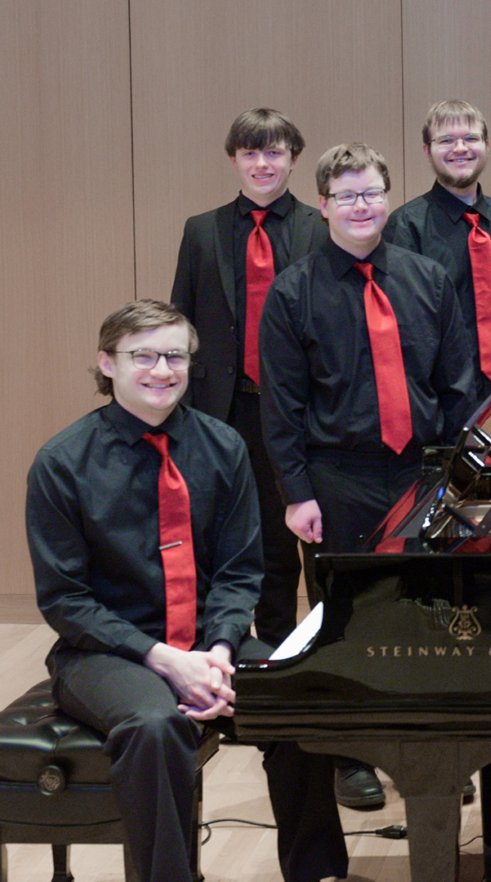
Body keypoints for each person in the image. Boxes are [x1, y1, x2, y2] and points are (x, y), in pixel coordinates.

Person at [27, 300, 349, 882]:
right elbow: (65, 600)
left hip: (208, 639)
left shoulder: (223, 447)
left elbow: (239, 571)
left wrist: (221, 651)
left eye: (175, 355)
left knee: (299, 699)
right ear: (107, 363)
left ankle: (315, 872)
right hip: (105, 651)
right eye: (142, 356)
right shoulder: (61, 463)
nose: (162, 370)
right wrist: (167, 661)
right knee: (155, 727)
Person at [261, 142, 476, 809]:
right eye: (347, 196)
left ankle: (435, 746)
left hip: (420, 470)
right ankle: (351, 755)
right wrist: (297, 494)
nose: (361, 207)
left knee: (429, 614)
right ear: (322, 204)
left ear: (388, 198)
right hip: (338, 475)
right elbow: (282, 407)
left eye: (372, 193)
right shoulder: (294, 291)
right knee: (344, 618)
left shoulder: (428, 278)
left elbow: (458, 384)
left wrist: (458, 477)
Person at [170, 108, 327, 646]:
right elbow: (181, 324)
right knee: (251, 544)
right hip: (227, 411)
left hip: (307, 413)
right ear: (234, 160)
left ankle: (327, 660)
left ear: (294, 159)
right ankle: (266, 660)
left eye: (274, 152)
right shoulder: (201, 232)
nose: (262, 164)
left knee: (314, 539)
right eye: (250, 153)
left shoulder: (320, 228)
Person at [384, 100, 491, 443]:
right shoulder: (405, 227)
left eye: (470, 138)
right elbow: (403, 336)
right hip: (438, 409)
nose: (460, 148)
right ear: (427, 151)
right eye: (446, 140)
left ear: (486, 147)